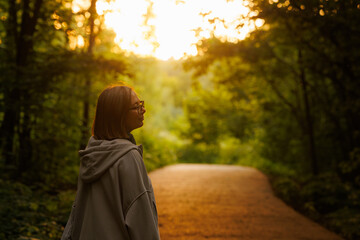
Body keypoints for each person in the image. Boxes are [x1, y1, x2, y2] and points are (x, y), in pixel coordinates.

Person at [61, 85, 160, 240]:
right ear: (118, 114)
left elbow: (76, 214)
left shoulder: (92, 153)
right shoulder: (128, 156)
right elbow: (141, 220)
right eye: (136, 106)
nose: (143, 110)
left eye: (141, 104)